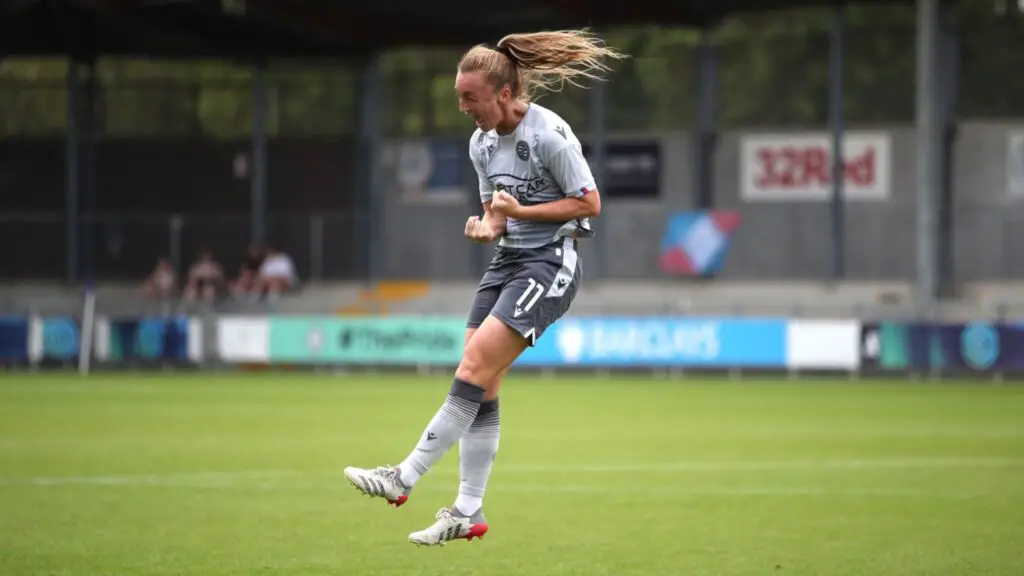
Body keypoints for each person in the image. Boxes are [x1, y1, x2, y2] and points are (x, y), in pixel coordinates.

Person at [343, 28, 625, 547]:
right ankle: (467, 512)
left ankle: (402, 476)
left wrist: (521, 212)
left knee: (472, 368)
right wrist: (486, 226)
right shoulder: (481, 144)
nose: (463, 107)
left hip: (550, 264)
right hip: (506, 261)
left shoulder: (549, 135)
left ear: (502, 94)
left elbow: (590, 203)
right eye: (459, 98)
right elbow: (497, 213)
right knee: (482, 381)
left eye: (470, 98)